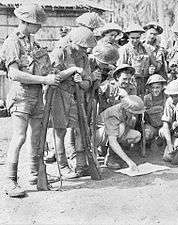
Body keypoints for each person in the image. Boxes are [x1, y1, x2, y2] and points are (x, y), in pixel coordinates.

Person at [1, 3, 62, 197]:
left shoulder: (32, 42)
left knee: (37, 137)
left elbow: (41, 66)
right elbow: (14, 73)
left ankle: (35, 174)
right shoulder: (12, 42)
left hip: (37, 96)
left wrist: (51, 72)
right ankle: (10, 181)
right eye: (38, 24)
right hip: (21, 96)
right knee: (19, 137)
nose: (40, 27)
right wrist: (45, 79)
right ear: (27, 22)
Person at [50, 26, 97, 179]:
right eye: (83, 47)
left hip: (77, 96)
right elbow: (52, 77)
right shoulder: (60, 52)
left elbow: (88, 81)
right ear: (73, 42)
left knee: (80, 129)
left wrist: (82, 81)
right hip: (59, 94)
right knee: (60, 130)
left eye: (87, 48)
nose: (85, 51)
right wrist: (73, 71)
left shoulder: (84, 57)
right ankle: (63, 166)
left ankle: (81, 165)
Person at [95, 95, 145, 171]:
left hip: (111, 134)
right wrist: (129, 162)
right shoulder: (114, 113)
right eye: (133, 112)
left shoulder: (127, 113)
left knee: (136, 135)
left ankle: (117, 156)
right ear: (127, 109)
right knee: (121, 127)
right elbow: (112, 141)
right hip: (98, 135)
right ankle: (110, 157)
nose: (135, 114)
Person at [118, 23, 157, 96]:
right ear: (128, 37)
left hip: (145, 82)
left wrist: (151, 67)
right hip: (131, 84)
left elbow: (155, 64)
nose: (135, 40)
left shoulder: (146, 48)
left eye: (137, 38)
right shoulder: (124, 49)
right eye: (132, 38)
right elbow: (120, 69)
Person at [144, 74, 167, 145]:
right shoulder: (146, 98)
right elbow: (144, 117)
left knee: (164, 133)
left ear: (162, 87)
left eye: (157, 87)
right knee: (147, 134)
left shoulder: (166, 97)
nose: (155, 90)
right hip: (151, 126)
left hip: (163, 125)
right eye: (153, 88)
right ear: (150, 88)